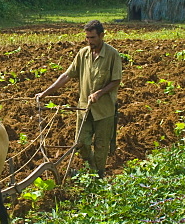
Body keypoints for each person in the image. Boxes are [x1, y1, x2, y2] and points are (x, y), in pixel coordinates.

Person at [34, 20, 122, 177]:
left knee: (101, 146)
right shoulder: (83, 54)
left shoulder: (112, 55)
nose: (89, 41)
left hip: (104, 110)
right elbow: (67, 75)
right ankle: (92, 170)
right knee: (81, 143)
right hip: (84, 109)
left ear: (102, 35)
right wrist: (45, 93)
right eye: (87, 38)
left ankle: (99, 175)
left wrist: (99, 93)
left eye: (93, 37)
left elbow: (116, 81)